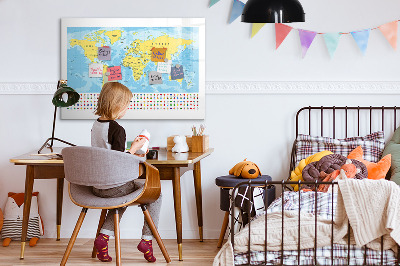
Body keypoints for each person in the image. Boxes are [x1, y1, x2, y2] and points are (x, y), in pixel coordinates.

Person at [91, 82, 161, 263]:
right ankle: (147, 240)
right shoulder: (117, 129)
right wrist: (136, 148)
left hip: (97, 186)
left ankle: (103, 238)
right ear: (117, 104)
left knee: (121, 197)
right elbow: (119, 161)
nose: (127, 108)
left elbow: (108, 154)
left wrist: (131, 149)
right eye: (127, 104)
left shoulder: (96, 125)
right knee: (156, 194)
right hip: (114, 186)